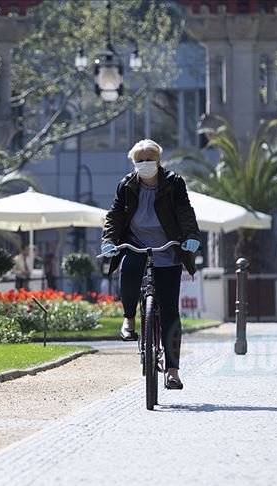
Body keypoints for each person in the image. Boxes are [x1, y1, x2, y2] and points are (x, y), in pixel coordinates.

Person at [100, 139, 201, 390]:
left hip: (168, 249)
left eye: (149, 159)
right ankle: (129, 319)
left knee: (169, 311)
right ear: (134, 163)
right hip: (136, 244)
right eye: (140, 160)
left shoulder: (174, 183)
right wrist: (108, 241)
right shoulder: (126, 185)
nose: (145, 164)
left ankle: (173, 371)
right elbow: (115, 216)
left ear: (158, 160)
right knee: (129, 267)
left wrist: (191, 237)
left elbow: (185, 212)